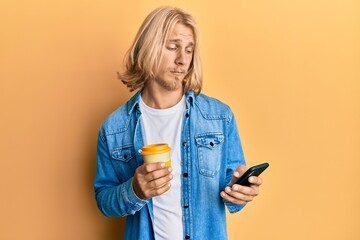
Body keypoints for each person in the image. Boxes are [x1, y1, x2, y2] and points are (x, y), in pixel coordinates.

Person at [94, 6, 263, 240]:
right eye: (172, 47)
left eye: (189, 50)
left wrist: (239, 191)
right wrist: (134, 190)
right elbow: (104, 200)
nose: (182, 60)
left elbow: (231, 191)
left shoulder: (219, 117)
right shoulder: (115, 128)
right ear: (148, 48)